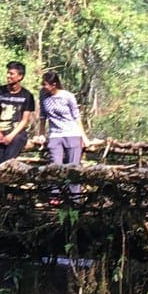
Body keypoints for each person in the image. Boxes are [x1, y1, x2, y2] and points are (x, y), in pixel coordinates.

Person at [40, 70, 86, 201]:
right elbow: (42, 116)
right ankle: (55, 196)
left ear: (54, 84)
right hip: (55, 134)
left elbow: (76, 117)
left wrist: (84, 137)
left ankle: (75, 199)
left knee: (73, 168)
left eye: (46, 84)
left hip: (72, 134)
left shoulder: (68, 96)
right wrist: (42, 134)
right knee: (55, 166)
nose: (44, 87)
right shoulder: (43, 96)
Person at [0, 61, 37, 166]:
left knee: (7, 161)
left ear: (20, 76)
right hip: (0, 132)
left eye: (11, 74)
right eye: (8, 73)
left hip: (17, 134)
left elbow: (25, 120)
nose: (8, 76)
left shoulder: (27, 95)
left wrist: (11, 136)